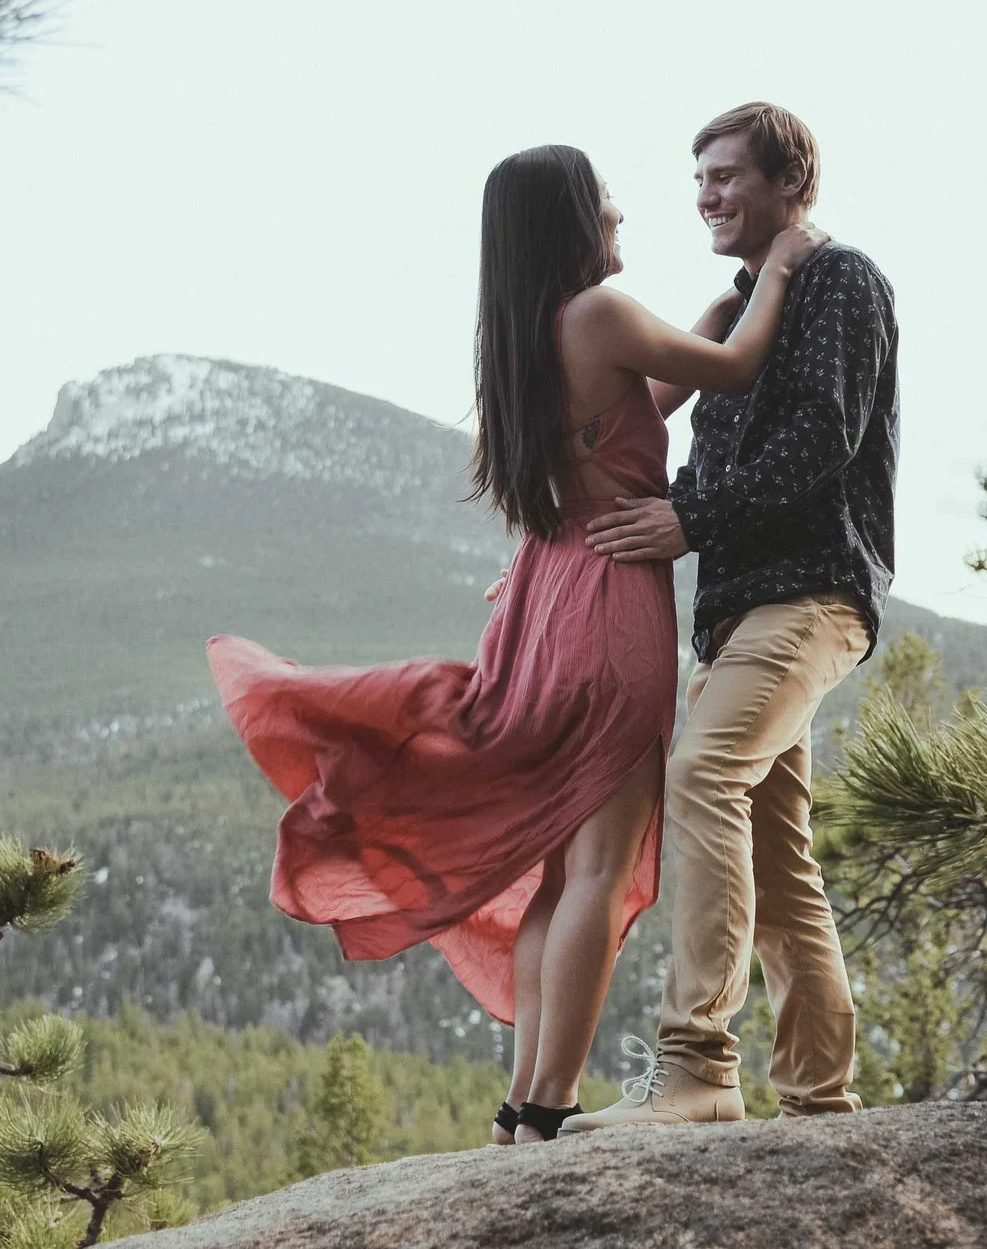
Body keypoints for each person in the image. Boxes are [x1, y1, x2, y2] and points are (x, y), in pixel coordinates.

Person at [206, 143, 826, 1146]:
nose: (622, 212)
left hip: (547, 594)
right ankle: (547, 1103)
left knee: (558, 870)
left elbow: (639, 413)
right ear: (571, 220)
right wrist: (786, 265)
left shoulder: (528, 334)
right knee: (597, 862)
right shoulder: (603, 315)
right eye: (605, 199)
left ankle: (522, 1103)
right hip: (610, 597)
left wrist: (710, 311)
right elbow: (737, 369)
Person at [568, 101, 898, 1129]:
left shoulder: (840, 280)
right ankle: (818, 1099)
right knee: (773, 844)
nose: (705, 194)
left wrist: (687, 518)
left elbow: (820, 440)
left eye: (724, 175)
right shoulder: (743, 301)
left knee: (701, 771)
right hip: (739, 615)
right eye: (697, 178)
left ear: (787, 180)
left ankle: (697, 1063)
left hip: (809, 594)